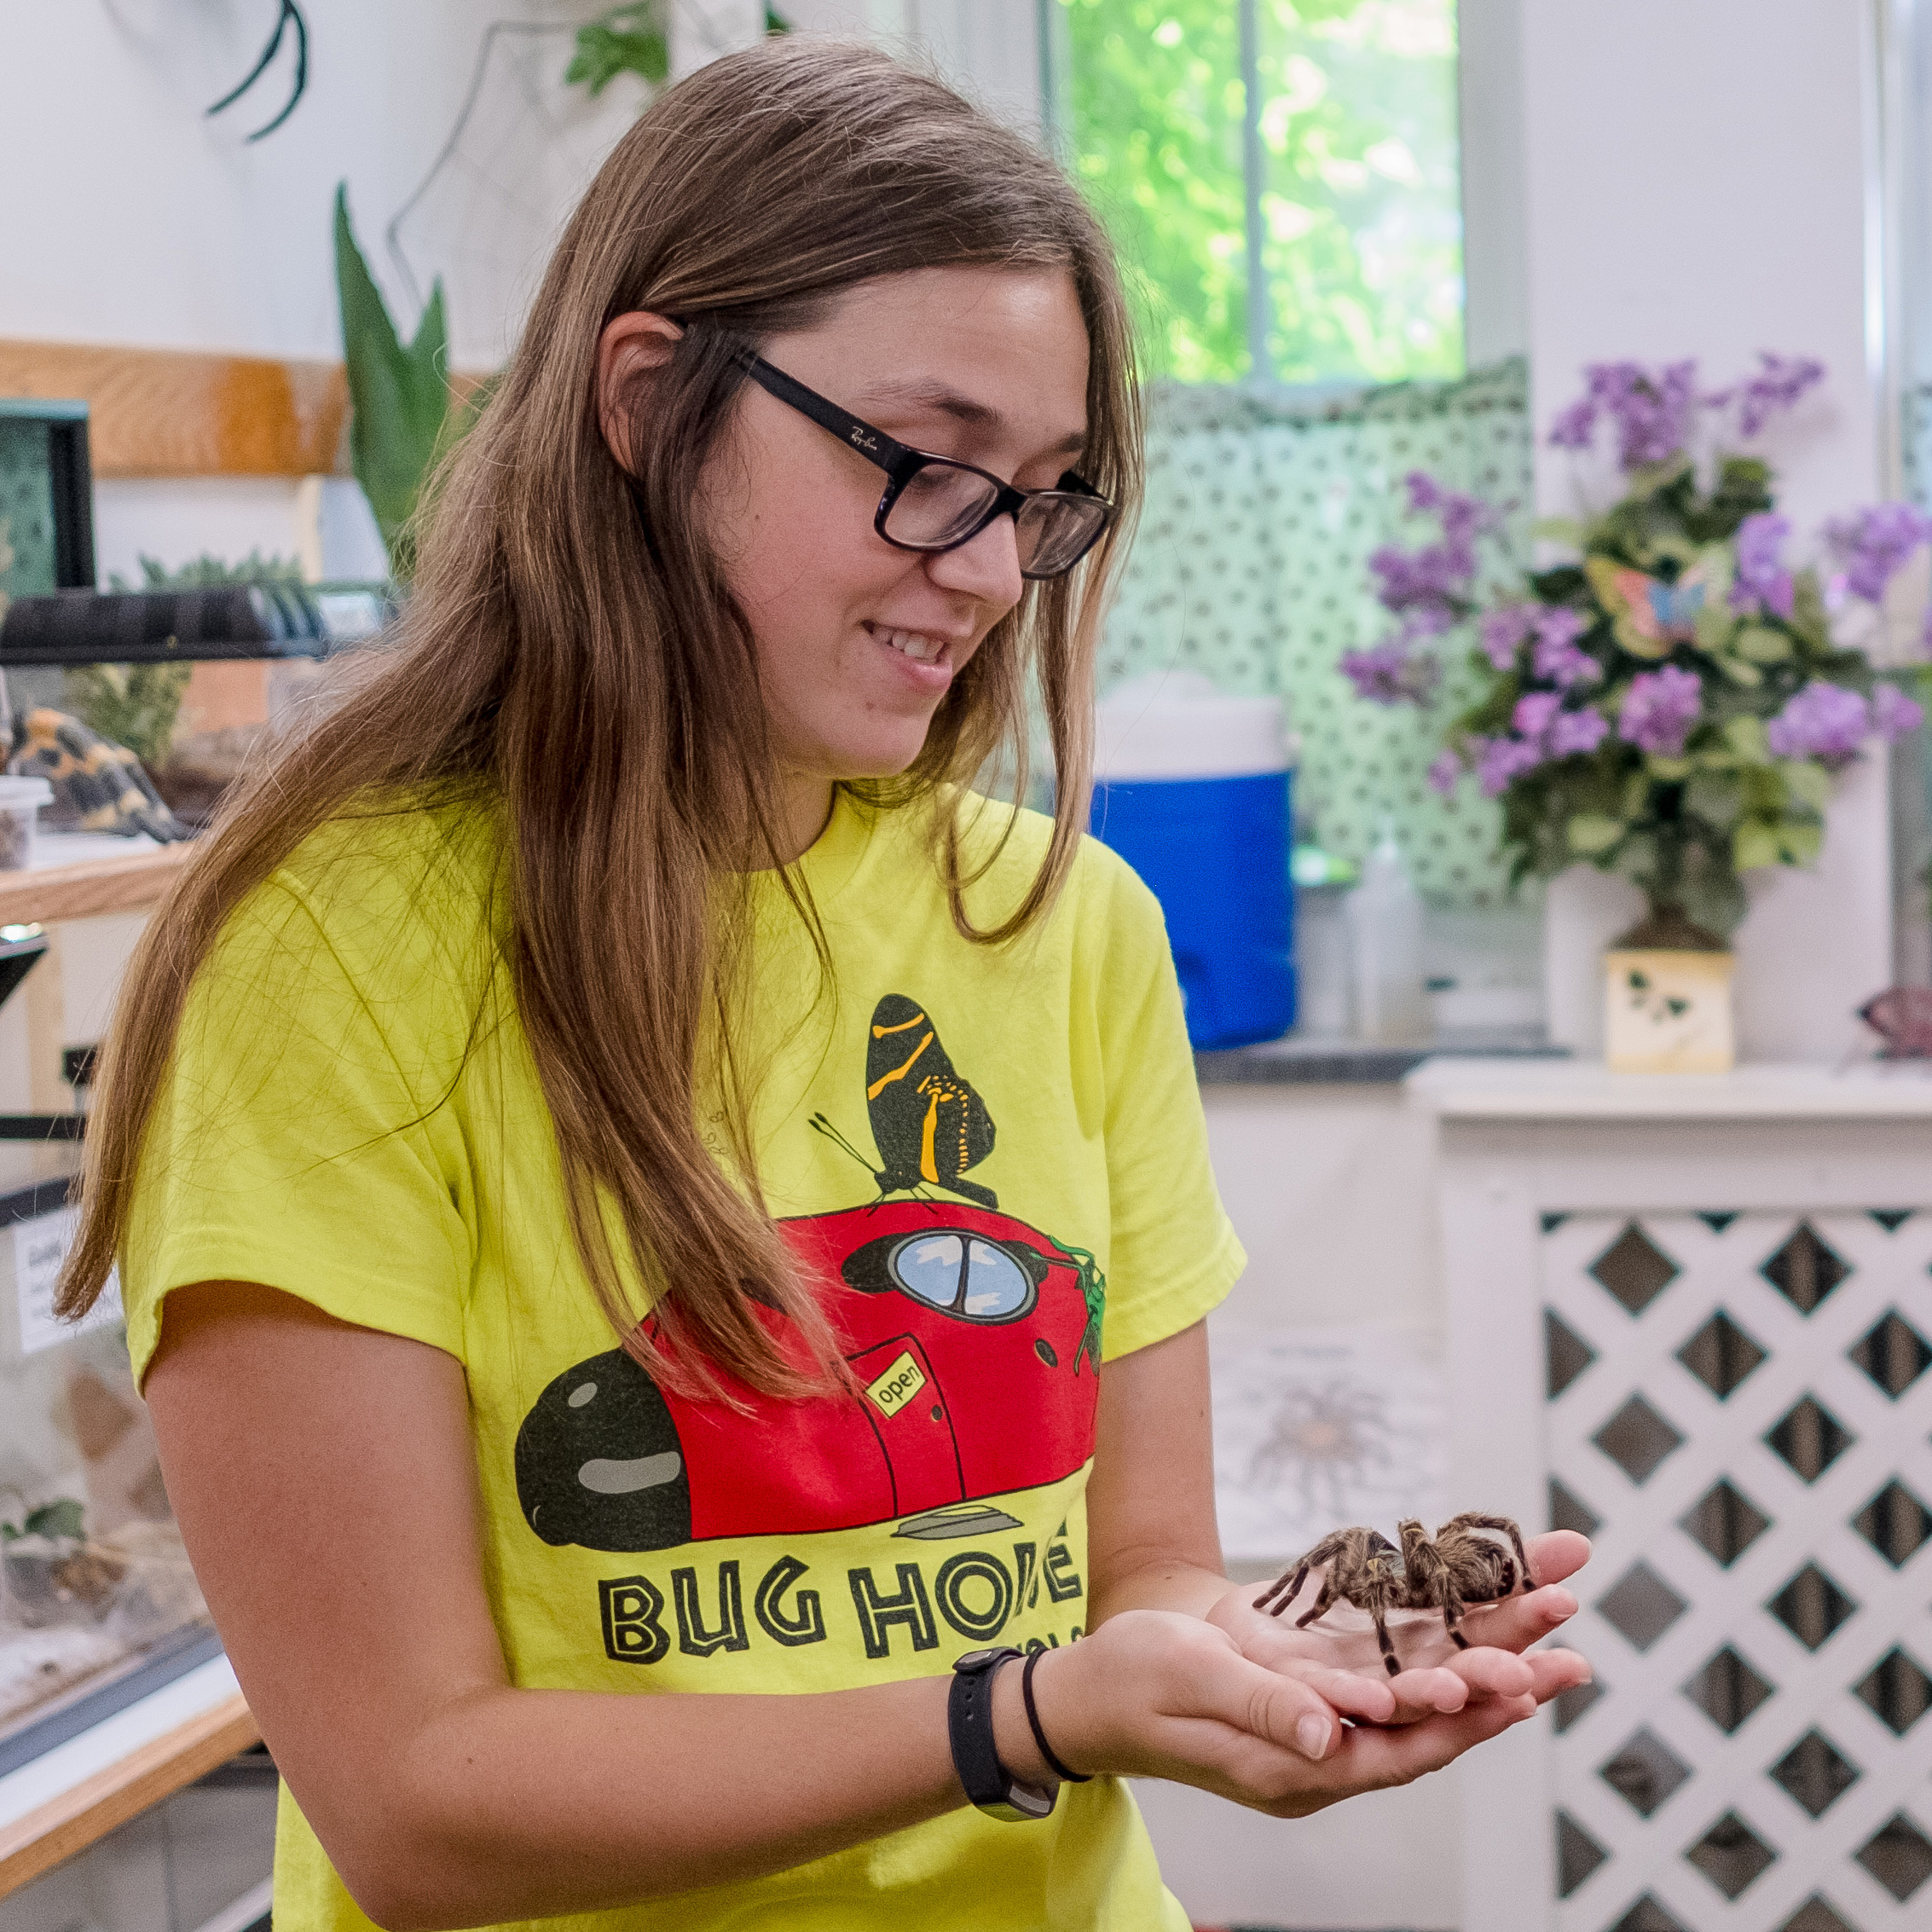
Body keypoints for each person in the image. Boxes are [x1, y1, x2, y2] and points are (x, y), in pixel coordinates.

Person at [59, 37, 1588, 1932]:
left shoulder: (1069, 923)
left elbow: (1145, 1577)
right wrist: (1014, 1713)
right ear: (648, 399)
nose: (991, 573)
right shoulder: (329, 953)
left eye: (1039, 494)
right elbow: (413, 1793)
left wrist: (1253, 1671)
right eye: (927, 464)